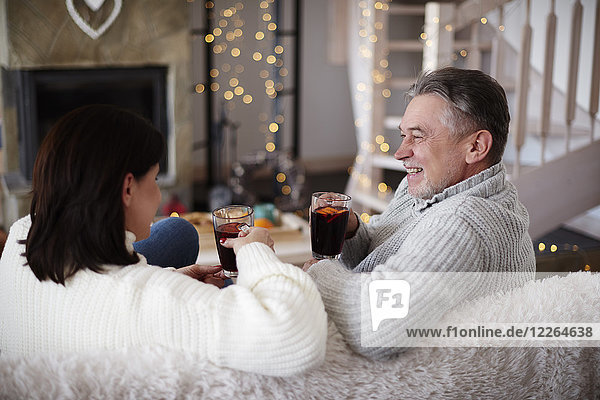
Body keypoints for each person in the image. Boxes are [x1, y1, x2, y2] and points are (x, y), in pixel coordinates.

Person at [0, 104, 327, 377]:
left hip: (75, 320)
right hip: (130, 310)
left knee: (177, 231)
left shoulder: (23, 232)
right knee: (228, 284)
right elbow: (295, 337)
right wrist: (255, 252)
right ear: (127, 189)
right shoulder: (153, 299)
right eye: (155, 179)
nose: (160, 193)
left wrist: (171, 276)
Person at [303, 67, 536, 359]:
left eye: (418, 136)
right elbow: (387, 248)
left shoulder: (465, 220)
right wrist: (352, 232)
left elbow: (378, 325)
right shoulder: (433, 187)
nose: (400, 153)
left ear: (476, 147)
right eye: (403, 135)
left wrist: (319, 272)